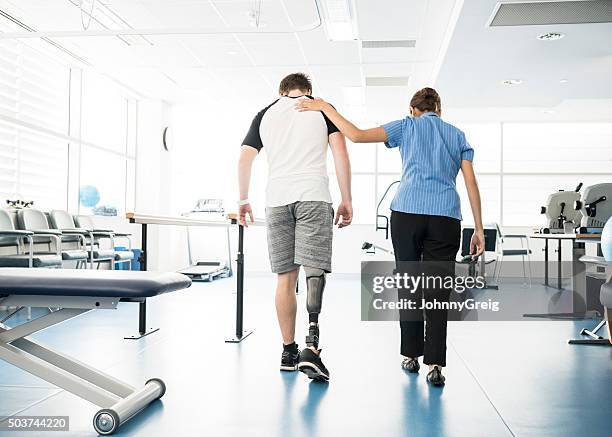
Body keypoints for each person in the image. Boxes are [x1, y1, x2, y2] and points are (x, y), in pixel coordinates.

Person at [296, 87, 484, 386]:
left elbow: (356, 135)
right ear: (439, 109)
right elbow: (471, 181)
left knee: (409, 287)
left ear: (413, 109)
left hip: (407, 214)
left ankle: (410, 354)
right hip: (446, 215)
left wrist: (325, 107)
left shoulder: (406, 126)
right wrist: (477, 228)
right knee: (438, 291)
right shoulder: (457, 135)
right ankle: (435, 364)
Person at [238, 73, 353, 382]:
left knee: (284, 280)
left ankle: (288, 351)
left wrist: (243, 198)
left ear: (281, 91)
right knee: (314, 270)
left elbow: (245, 158)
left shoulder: (265, 113)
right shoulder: (321, 108)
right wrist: (347, 198)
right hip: (314, 195)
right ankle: (311, 344)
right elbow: (340, 153)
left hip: (276, 199)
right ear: (309, 91)